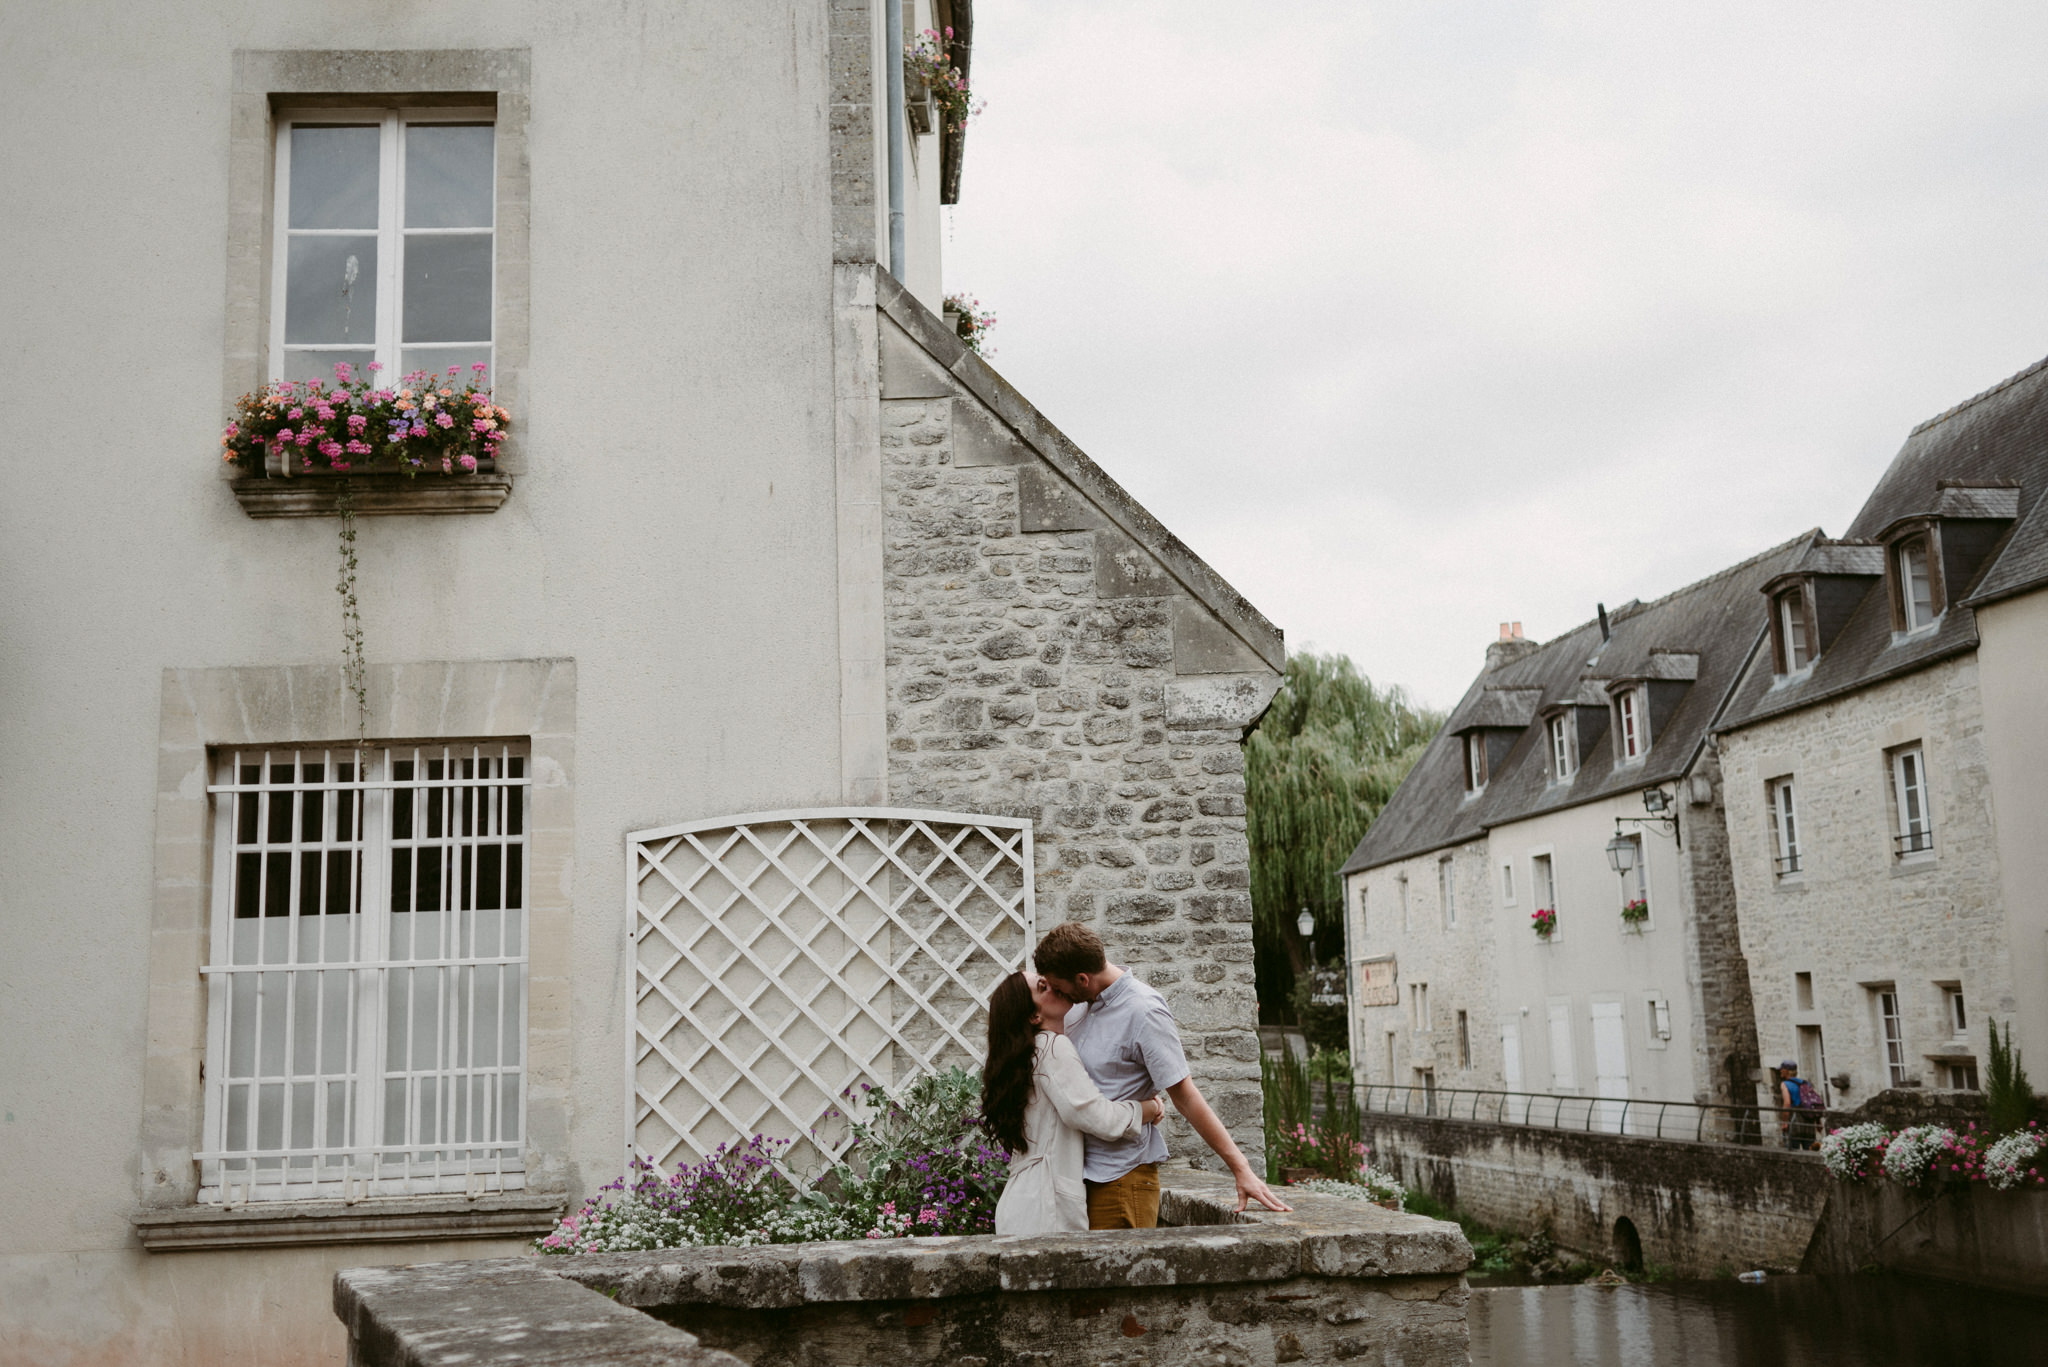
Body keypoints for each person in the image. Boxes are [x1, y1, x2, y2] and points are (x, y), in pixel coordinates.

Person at [1032, 921, 1291, 1227]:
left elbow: (1186, 1096)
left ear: (1082, 979)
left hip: (1120, 1181)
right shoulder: (1078, 1006)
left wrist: (1240, 1167)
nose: (1055, 994)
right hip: (1076, 1177)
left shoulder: (1144, 1011)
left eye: (1058, 987)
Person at [981, 970, 1167, 1235]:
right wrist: (1147, 1109)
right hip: (1046, 1207)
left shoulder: (1027, 1057)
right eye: (1043, 986)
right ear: (1034, 1016)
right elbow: (1093, 1116)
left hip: (1021, 1202)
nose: (1054, 986)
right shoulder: (1053, 1047)